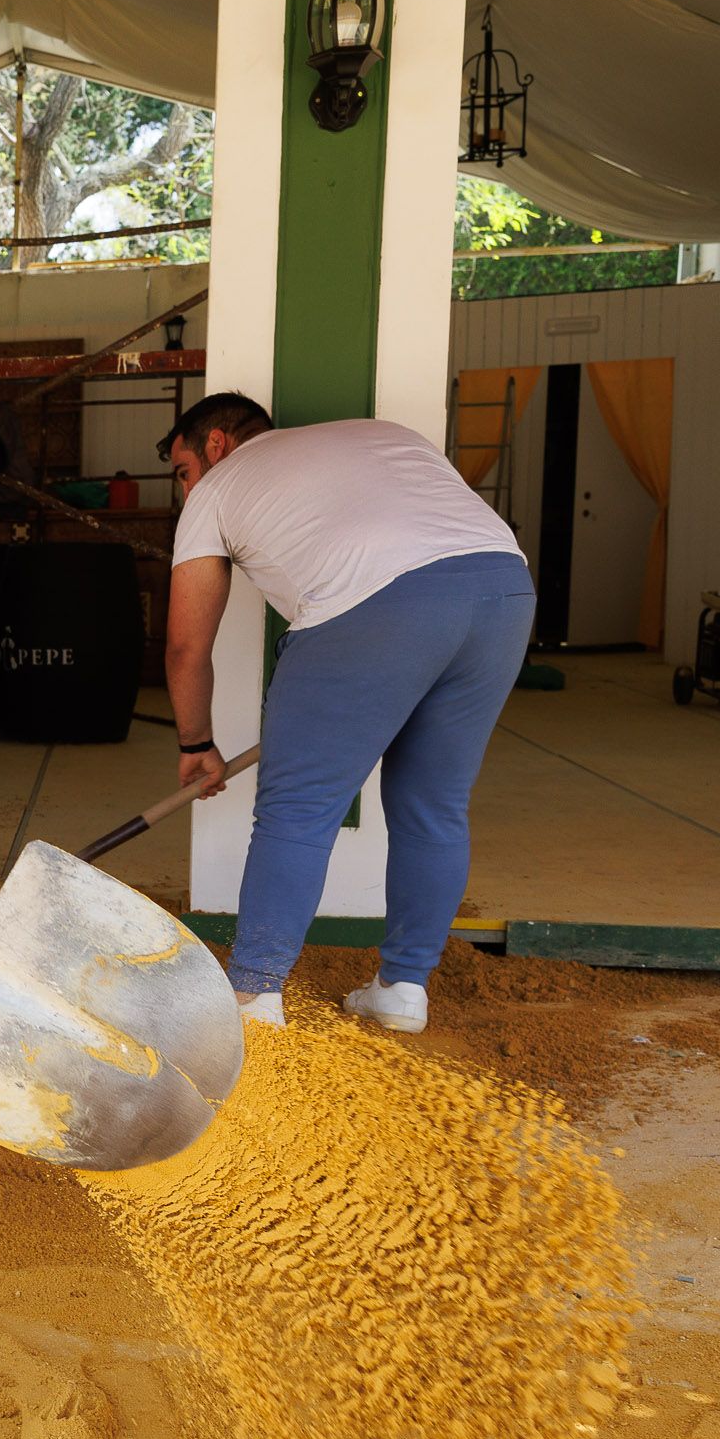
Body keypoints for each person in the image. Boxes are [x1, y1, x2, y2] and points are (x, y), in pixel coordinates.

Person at [162, 393, 532, 1034]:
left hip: (375, 604)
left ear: (216, 444)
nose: (186, 488)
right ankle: (403, 990)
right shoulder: (385, 432)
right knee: (434, 806)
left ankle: (252, 1001)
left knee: (298, 811)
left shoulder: (218, 488)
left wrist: (196, 740)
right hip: (501, 591)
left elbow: (185, 645)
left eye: (182, 470)